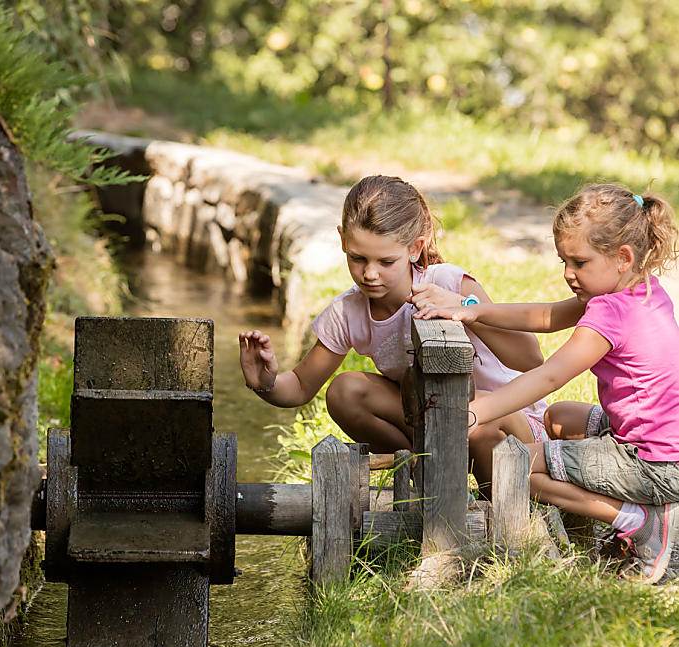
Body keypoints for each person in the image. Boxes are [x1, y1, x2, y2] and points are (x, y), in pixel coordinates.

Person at [418, 183, 679, 583]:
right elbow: (546, 315)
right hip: (660, 445)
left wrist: (473, 413)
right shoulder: (639, 289)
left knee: (518, 466)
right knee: (559, 419)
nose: (567, 274)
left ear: (623, 257)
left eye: (578, 262)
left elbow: (549, 376)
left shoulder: (610, 312)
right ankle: (594, 527)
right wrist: (472, 309)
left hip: (652, 464)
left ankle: (640, 520)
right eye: (563, 261)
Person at [239, 174, 546, 491]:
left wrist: (466, 309)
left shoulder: (449, 283)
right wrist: (266, 383)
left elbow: (530, 358)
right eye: (357, 258)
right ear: (343, 240)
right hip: (440, 420)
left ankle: (496, 492)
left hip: (508, 422)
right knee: (345, 391)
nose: (369, 274)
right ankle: (422, 471)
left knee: (464, 412)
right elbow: (302, 386)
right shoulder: (349, 312)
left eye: (386, 261)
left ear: (415, 249)